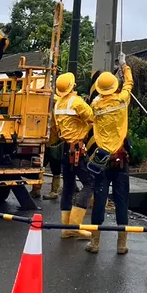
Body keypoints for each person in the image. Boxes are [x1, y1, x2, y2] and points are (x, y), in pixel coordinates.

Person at [86, 56, 134, 255]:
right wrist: (123, 65)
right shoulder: (122, 100)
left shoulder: (96, 107)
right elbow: (129, 83)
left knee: (99, 198)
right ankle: (121, 244)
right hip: (120, 159)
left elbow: (92, 106)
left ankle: (95, 243)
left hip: (101, 158)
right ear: (115, 87)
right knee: (122, 201)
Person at [53, 71, 95, 239]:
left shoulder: (58, 105)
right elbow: (92, 117)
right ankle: (74, 226)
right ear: (72, 86)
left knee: (68, 186)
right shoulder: (76, 102)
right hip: (77, 148)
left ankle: (65, 228)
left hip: (65, 149)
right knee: (89, 183)